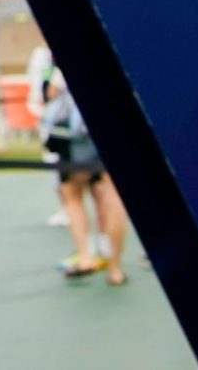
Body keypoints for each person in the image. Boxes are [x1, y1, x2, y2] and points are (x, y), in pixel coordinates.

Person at [39, 81, 128, 286]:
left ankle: (86, 257)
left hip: (76, 138)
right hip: (108, 126)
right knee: (110, 195)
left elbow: (53, 90)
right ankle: (115, 268)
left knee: (72, 195)